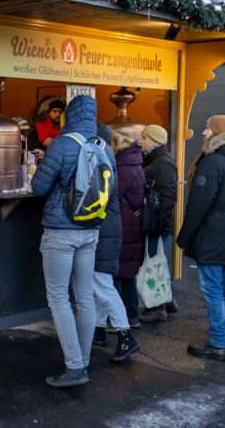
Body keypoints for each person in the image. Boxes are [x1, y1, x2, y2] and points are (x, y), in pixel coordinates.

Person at [31, 95, 112, 388]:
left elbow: (39, 187)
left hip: (61, 232)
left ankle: (75, 367)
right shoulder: (104, 146)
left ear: (71, 115)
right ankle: (83, 360)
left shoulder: (63, 144)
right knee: (84, 296)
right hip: (91, 230)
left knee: (58, 298)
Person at [178, 115, 225, 362]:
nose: (203, 132)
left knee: (214, 291)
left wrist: (184, 237)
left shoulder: (212, 162)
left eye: (207, 128)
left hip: (212, 235)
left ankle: (218, 343)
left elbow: (198, 205)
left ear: (218, 132)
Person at [92, 125, 140, 362]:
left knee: (102, 284)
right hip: (112, 231)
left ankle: (125, 335)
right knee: (101, 283)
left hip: (105, 233)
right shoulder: (115, 164)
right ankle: (99, 329)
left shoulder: (106, 166)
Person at [138, 124, 179, 323]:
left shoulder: (162, 163)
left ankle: (157, 308)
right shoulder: (158, 160)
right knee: (158, 261)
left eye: (144, 138)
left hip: (158, 223)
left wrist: (159, 224)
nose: (141, 141)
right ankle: (166, 300)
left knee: (155, 263)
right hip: (158, 222)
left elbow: (168, 197)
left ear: (154, 141)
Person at [112, 130, 146, 328]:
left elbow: (112, 195)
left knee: (117, 273)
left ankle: (116, 319)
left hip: (123, 224)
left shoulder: (122, 168)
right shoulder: (135, 164)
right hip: (133, 223)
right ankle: (132, 315)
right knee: (129, 273)